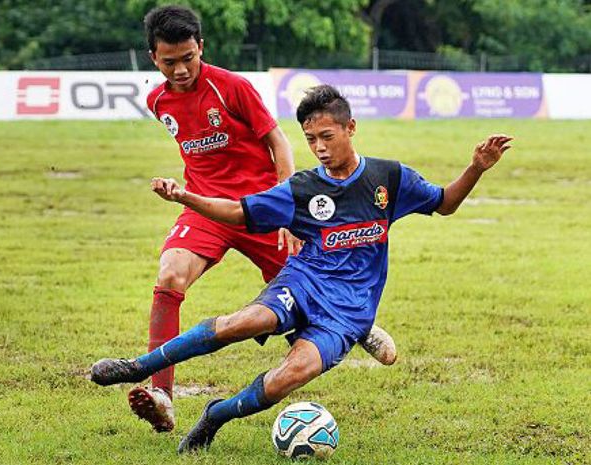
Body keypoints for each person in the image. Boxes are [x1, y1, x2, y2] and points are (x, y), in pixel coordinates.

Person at [92, 84, 513, 452]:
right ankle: (139, 367)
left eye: (327, 136)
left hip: (349, 312)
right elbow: (238, 211)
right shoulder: (303, 188)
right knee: (248, 320)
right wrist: (186, 197)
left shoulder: (390, 178)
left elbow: (444, 204)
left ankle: (216, 415)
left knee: (293, 374)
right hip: (304, 282)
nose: (320, 148)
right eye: (311, 140)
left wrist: (477, 166)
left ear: (351, 129)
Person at [124, 5, 397, 433]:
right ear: (152, 58)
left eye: (188, 58)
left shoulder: (232, 87)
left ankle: (358, 325)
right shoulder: (157, 101)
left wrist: (290, 209)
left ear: (201, 47)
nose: (180, 70)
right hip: (209, 210)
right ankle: (161, 394)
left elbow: (278, 141)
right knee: (170, 276)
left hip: (262, 208)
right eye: (168, 61)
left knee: (307, 289)